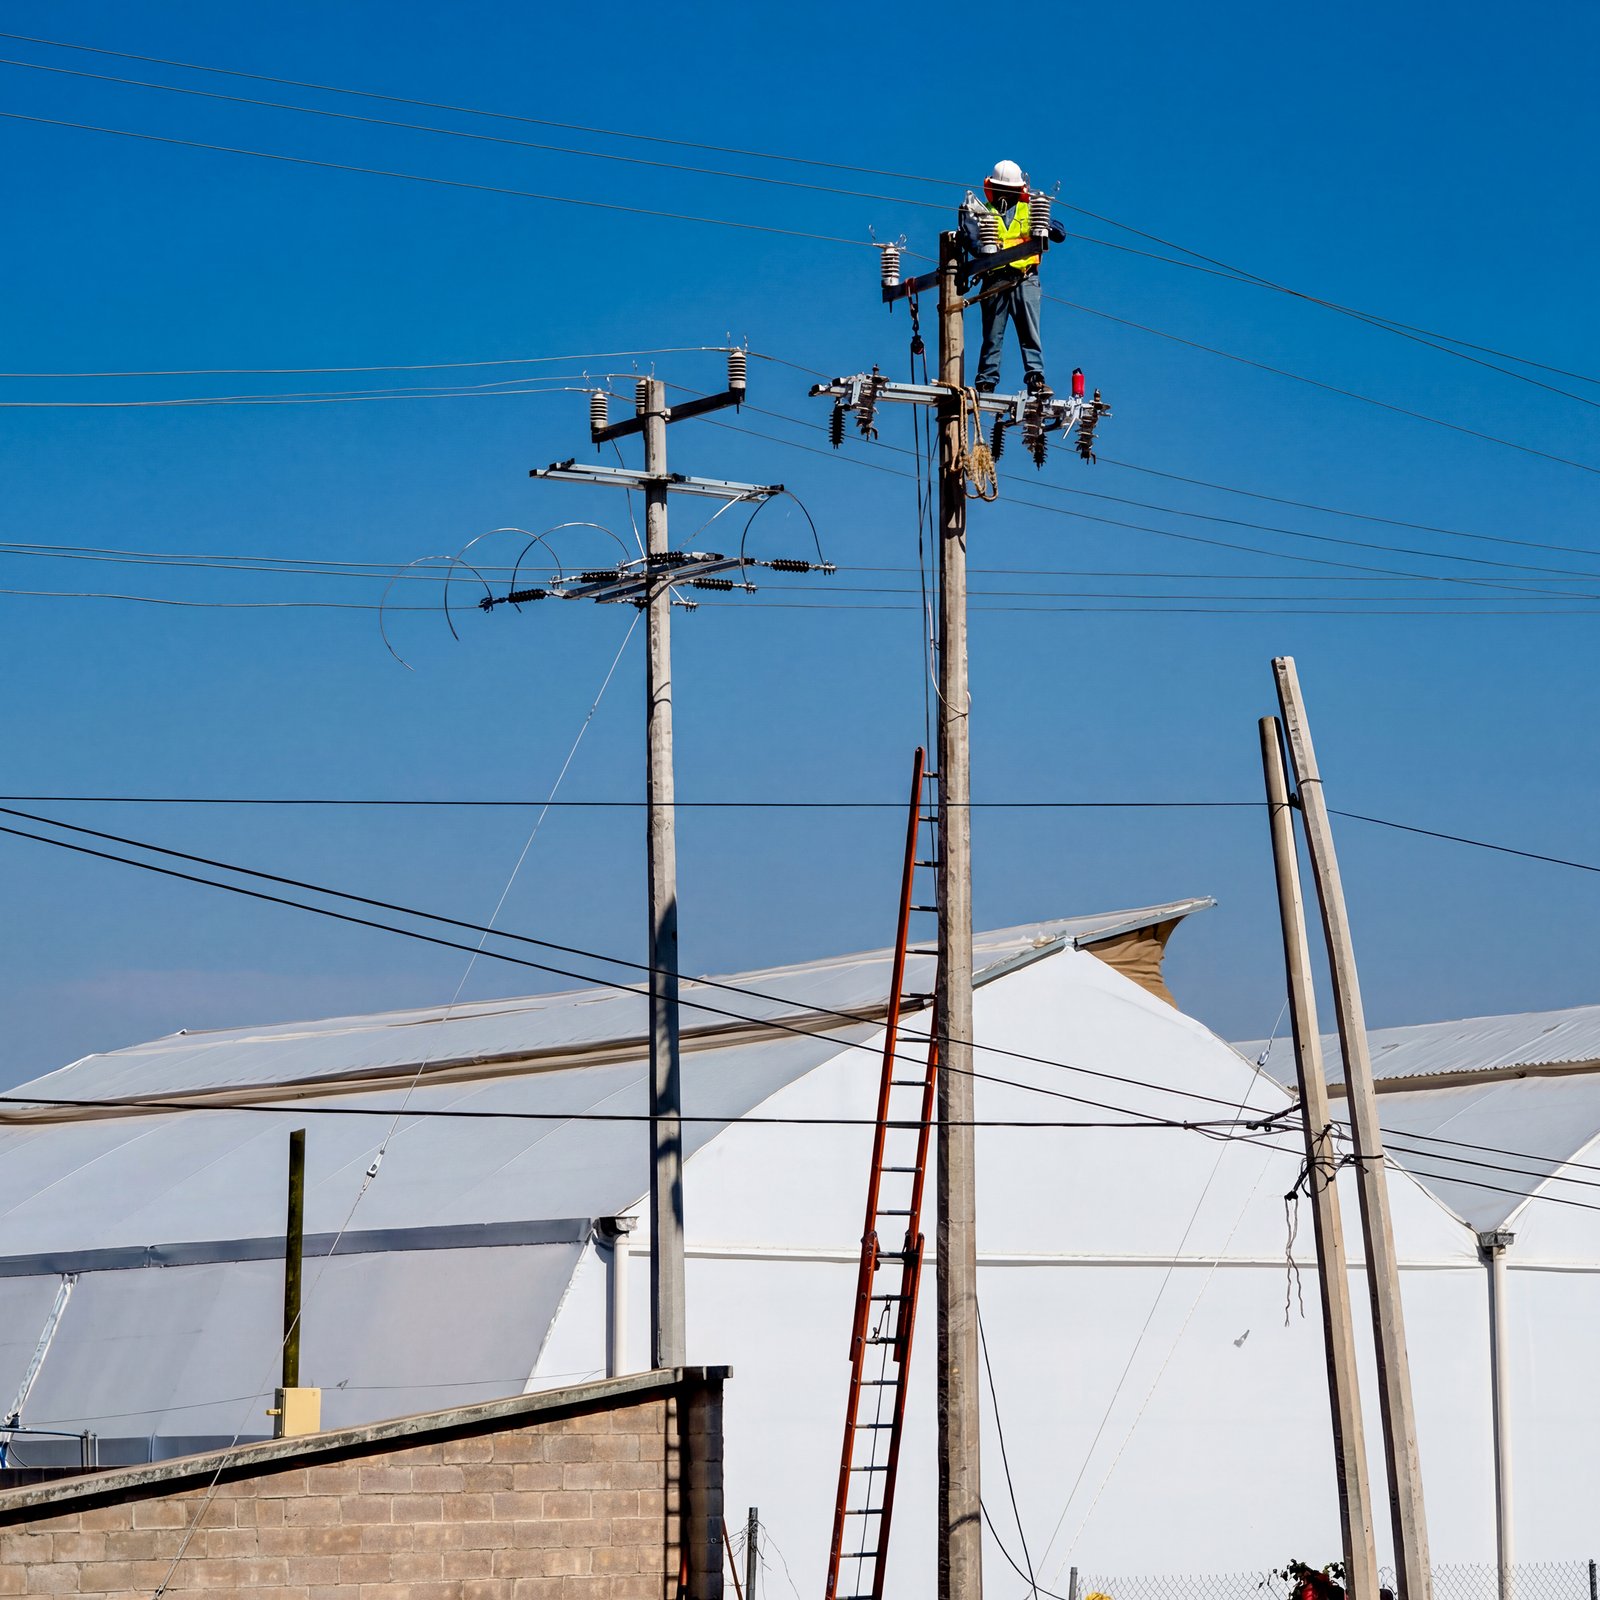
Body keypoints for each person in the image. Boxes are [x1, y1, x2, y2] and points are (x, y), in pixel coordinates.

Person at [959, 159, 1069, 394]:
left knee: (1029, 331)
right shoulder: (982, 212)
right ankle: (986, 381)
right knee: (992, 335)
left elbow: (1059, 231)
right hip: (995, 279)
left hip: (1025, 277)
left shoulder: (1028, 209)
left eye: (1009, 190)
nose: (1005, 195)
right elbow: (970, 239)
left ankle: (1035, 378)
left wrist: (1046, 224)